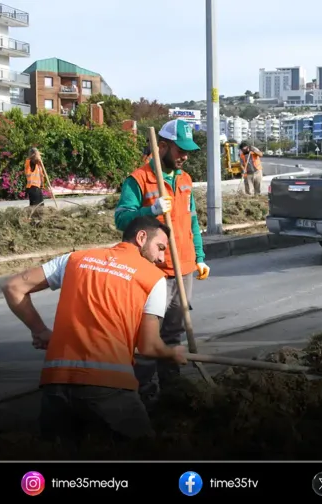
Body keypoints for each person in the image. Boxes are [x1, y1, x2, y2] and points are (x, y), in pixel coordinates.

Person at [1, 215, 188, 445]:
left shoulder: (75, 259)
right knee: (144, 451)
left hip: (56, 383)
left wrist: (40, 331)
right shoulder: (153, 278)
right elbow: (148, 347)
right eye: (160, 248)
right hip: (110, 386)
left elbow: (13, 287)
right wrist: (173, 353)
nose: (161, 258)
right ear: (141, 237)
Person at [113, 118, 210, 406]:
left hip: (185, 267)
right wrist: (150, 209)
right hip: (152, 271)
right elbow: (121, 219)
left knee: (174, 332)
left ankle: (172, 386)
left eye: (188, 151)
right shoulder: (139, 179)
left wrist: (200, 257)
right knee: (147, 334)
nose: (185, 156)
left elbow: (192, 223)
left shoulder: (185, 179)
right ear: (163, 146)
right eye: (180, 150)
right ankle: (142, 391)